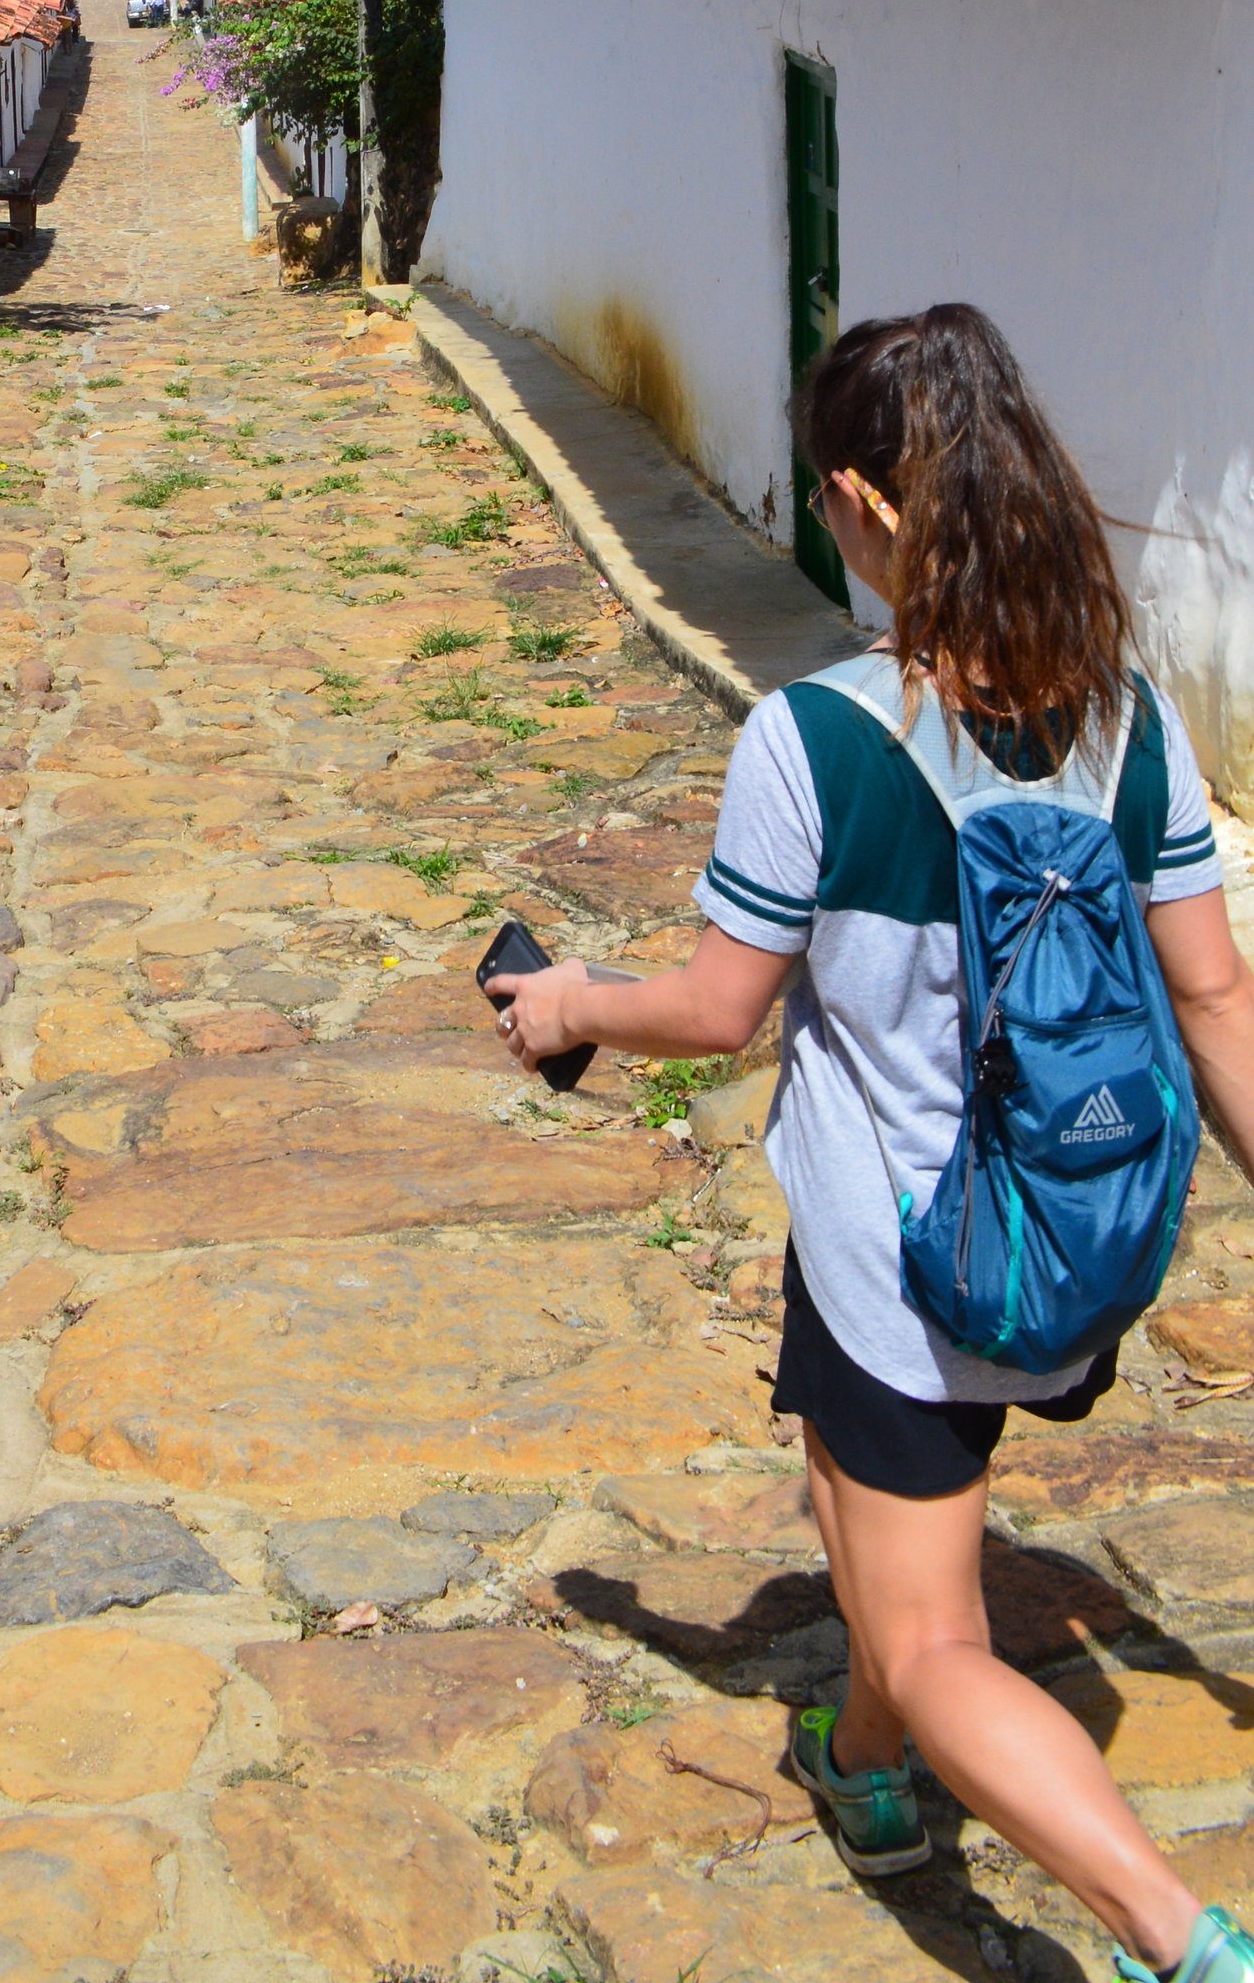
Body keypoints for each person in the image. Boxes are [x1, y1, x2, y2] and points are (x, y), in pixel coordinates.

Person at [495, 303, 1254, 1983]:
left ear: (864, 500)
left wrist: (561, 1007)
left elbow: (713, 1008)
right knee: (855, 1503)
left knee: (928, 1634)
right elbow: (1216, 1005)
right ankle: (865, 1771)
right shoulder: (1131, 719)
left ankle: (1173, 1935)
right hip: (1074, 1237)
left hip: (902, 1264)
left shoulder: (817, 739)